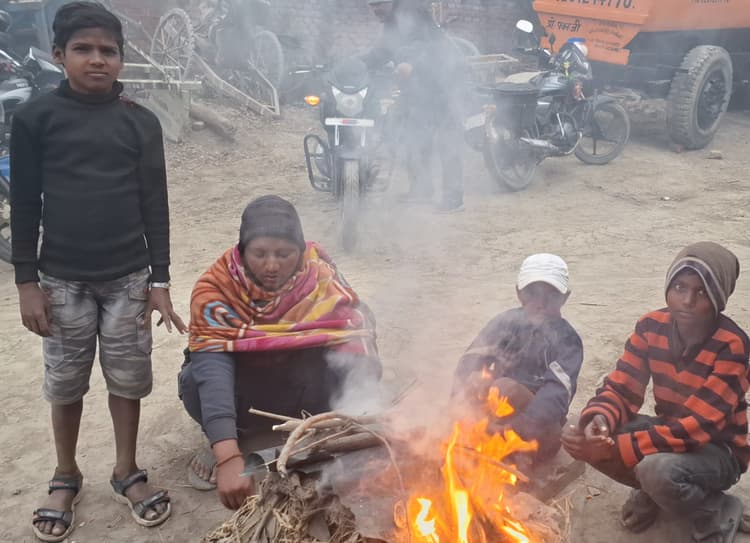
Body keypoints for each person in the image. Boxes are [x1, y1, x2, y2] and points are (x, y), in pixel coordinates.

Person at [10, 2, 186, 540]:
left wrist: (159, 281)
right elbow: (25, 205)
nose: (97, 59)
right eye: (83, 49)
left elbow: (156, 204)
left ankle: (126, 470)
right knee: (65, 382)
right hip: (61, 281)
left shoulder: (140, 121)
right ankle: (66, 474)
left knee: (127, 379)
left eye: (108, 51)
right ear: (58, 55)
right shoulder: (35, 119)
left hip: (129, 279)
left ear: (121, 59)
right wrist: (26, 283)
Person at [180, 195, 381, 510]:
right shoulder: (216, 288)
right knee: (195, 381)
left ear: (300, 253)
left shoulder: (319, 277)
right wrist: (227, 456)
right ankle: (231, 438)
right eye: (259, 254)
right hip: (246, 391)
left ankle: (321, 433)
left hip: (303, 387)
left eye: (284, 254)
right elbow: (213, 368)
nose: (272, 265)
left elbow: (355, 335)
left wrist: (361, 417)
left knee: (355, 345)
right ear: (242, 251)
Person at [562, 242, 749, 543]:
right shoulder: (651, 326)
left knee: (656, 469)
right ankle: (653, 491)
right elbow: (622, 387)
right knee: (581, 431)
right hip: (670, 432)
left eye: (702, 292)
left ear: (719, 299)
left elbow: (698, 427)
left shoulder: (732, 345)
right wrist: (600, 422)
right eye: (679, 287)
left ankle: (718, 510)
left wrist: (616, 448)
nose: (687, 301)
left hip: (718, 450)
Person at [452, 254, 583, 468]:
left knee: (506, 387)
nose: (540, 303)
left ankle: (501, 450)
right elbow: (471, 358)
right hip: (494, 416)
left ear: (564, 298)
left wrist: (514, 430)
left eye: (551, 296)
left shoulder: (567, 340)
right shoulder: (505, 323)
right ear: (519, 293)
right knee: (476, 380)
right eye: (532, 293)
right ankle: (472, 440)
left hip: (537, 432)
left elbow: (557, 394)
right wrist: (463, 393)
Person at [363, 0, 467, 213]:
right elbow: (380, 53)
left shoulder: (413, 11)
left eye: (378, 5)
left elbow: (430, 45)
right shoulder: (391, 23)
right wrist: (353, 64)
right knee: (415, 136)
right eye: (371, 6)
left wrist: (411, 62)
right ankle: (422, 189)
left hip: (446, 83)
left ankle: (454, 199)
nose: (375, 11)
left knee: (447, 140)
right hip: (421, 90)